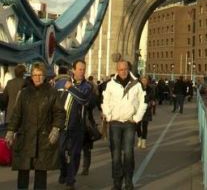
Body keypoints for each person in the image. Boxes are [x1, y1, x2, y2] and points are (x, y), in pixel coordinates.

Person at [5, 63, 66, 190]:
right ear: (31, 76)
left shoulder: (52, 92)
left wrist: (56, 129)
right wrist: (10, 131)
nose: (37, 77)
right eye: (35, 75)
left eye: (40, 75)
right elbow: (17, 114)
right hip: (25, 138)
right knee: (23, 172)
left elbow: (60, 113)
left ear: (44, 76)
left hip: (43, 139)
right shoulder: (24, 93)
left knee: (40, 174)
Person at [102, 60, 147, 190]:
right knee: (115, 154)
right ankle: (117, 182)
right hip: (115, 122)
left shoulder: (136, 84)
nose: (123, 72)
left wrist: (137, 118)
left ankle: (128, 181)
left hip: (129, 123)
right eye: (121, 69)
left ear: (129, 69)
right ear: (117, 70)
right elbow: (105, 101)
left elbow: (143, 102)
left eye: (125, 69)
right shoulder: (110, 84)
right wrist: (108, 116)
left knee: (128, 153)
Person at [56, 60, 93, 189]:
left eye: (84, 69)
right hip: (62, 124)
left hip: (78, 125)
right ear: (73, 70)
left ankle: (71, 180)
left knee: (75, 154)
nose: (82, 72)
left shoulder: (87, 86)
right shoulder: (61, 82)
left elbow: (83, 99)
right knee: (60, 151)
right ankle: (63, 171)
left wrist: (70, 88)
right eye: (79, 69)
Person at [136, 76, 156, 149]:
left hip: (146, 109)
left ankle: (144, 141)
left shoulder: (150, 89)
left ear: (147, 81)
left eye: (145, 80)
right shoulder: (137, 88)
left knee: (145, 126)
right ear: (140, 81)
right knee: (137, 125)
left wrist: (152, 102)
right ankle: (139, 138)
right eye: (142, 80)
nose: (144, 81)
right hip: (138, 109)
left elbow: (153, 97)